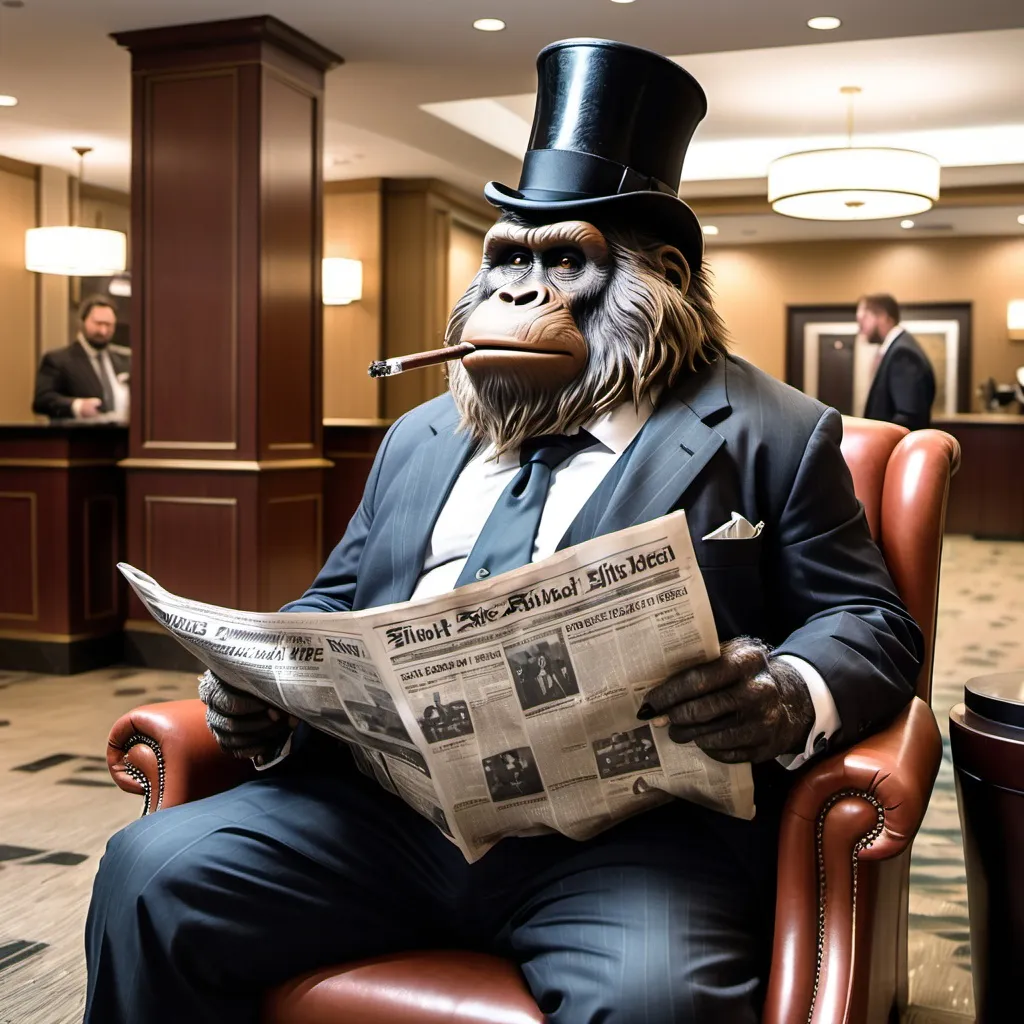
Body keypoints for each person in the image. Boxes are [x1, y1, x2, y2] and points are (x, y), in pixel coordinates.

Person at [85, 39, 922, 1024]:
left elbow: (868, 620)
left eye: (561, 259)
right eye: (506, 261)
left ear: (662, 278)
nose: (519, 291)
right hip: (380, 816)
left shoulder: (775, 430)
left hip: (628, 843)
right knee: (150, 870)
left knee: (659, 1001)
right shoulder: (420, 434)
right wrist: (265, 691)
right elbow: (337, 602)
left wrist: (789, 689)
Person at [32, 295, 129, 422]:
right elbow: (42, 401)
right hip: (78, 439)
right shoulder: (57, 360)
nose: (103, 331)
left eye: (109, 325)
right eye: (98, 323)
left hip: (122, 437)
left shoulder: (124, 360)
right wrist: (77, 406)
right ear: (82, 322)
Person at [857, 293, 935, 430]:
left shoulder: (903, 354)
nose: (860, 328)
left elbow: (908, 417)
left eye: (863, 320)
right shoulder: (897, 348)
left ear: (882, 316)